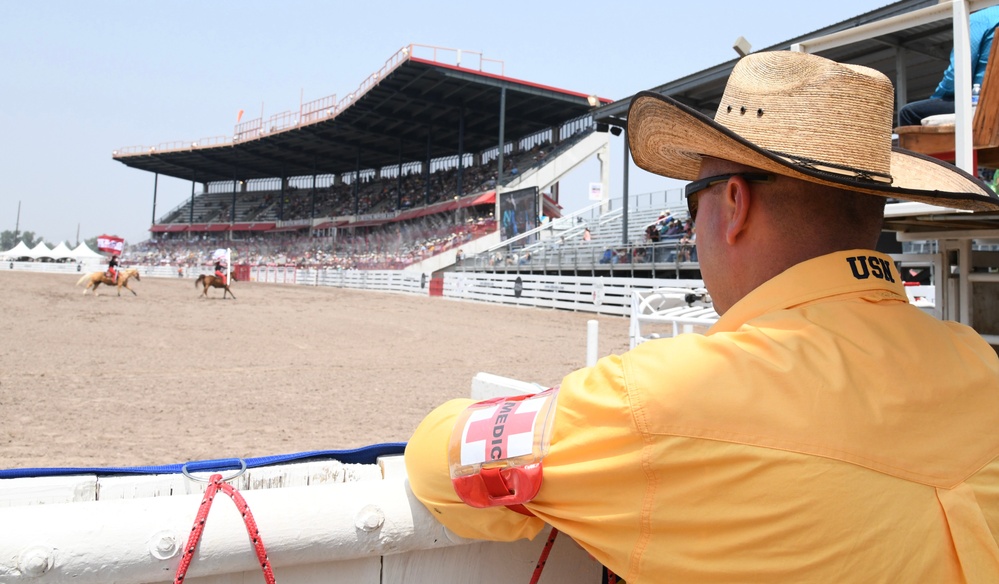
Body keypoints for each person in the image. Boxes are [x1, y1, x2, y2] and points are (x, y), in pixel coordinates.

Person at [405, 51, 999, 582]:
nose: (691, 227)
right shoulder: (978, 362)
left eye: (697, 197)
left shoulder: (664, 395)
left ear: (735, 204)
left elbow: (441, 459)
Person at [897, 6, 999, 126]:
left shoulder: (979, 19)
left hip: (985, 104)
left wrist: (937, 98)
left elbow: (957, 75)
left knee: (908, 113)